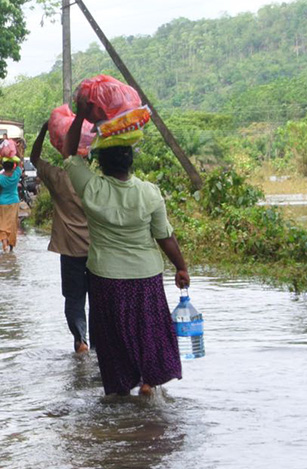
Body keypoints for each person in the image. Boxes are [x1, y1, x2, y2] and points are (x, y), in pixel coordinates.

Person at [61, 94, 189, 396]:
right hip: (146, 278)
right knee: (148, 332)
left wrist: (80, 115)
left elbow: (68, 153)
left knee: (114, 339)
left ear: (100, 162)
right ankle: (148, 383)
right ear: (131, 161)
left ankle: (121, 390)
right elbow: (165, 237)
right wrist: (181, 268)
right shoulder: (149, 192)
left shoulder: (91, 188)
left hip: (106, 279)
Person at [30, 122, 91, 354]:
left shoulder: (59, 177)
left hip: (70, 250)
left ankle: (80, 341)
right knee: (98, 299)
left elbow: (34, 158)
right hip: (98, 251)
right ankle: (98, 343)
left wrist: (44, 130)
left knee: (74, 299)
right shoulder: (95, 180)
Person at [0, 160, 21, 252]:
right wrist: (18, 151)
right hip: (14, 202)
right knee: (12, 224)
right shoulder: (16, 174)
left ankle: (4, 243)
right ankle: (11, 247)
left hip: (2, 203)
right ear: (13, 166)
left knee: (2, 224)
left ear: (3, 167)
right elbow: (20, 162)